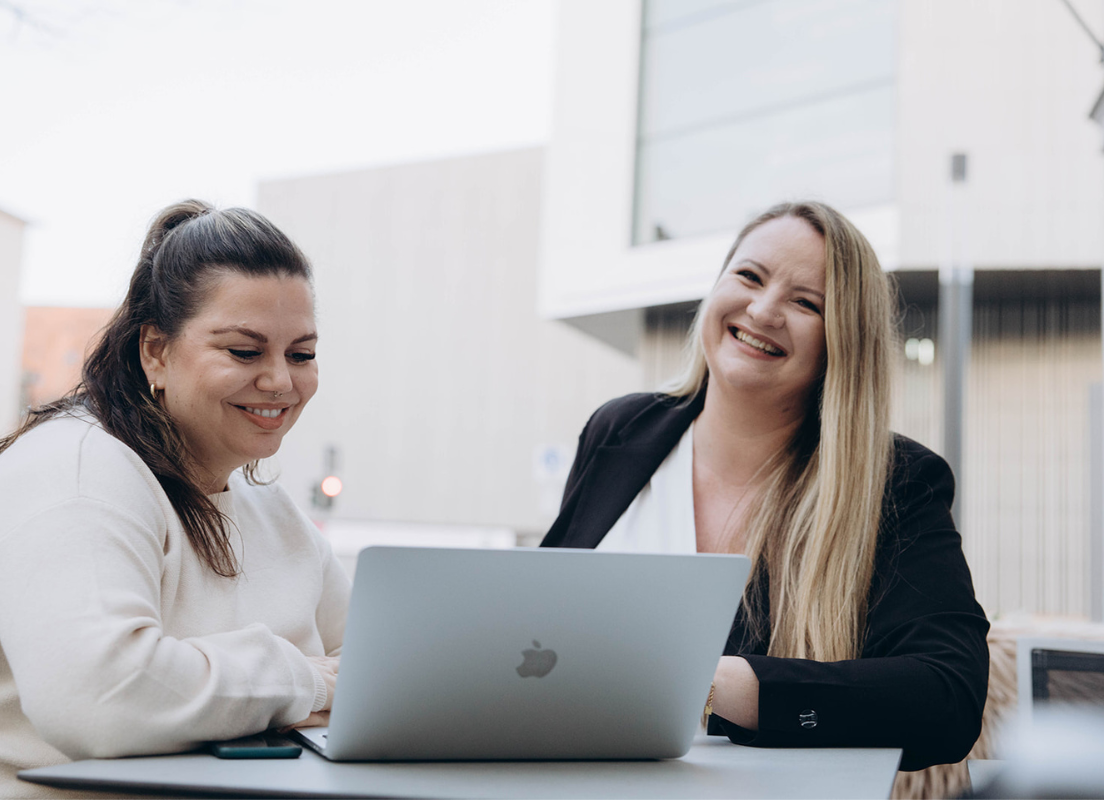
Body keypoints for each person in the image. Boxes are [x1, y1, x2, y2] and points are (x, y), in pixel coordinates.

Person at [542, 201, 990, 772]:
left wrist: (704, 683)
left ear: (842, 344)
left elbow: (946, 698)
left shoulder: (894, 481)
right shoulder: (619, 429)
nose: (762, 309)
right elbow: (540, 623)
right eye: (749, 276)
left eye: (806, 303)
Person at [0, 200, 349, 796]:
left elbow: (378, 674)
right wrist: (307, 685)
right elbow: (98, 695)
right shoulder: (76, 469)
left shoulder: (272, 509)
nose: (281, 382)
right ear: (155, 352)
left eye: (302, 354)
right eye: (244, 351)